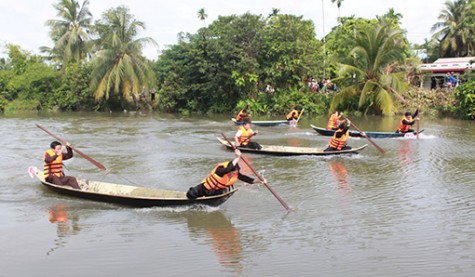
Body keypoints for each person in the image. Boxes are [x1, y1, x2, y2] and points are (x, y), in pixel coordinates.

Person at [186, 149, 263, 199]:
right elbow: (229, 168)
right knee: (190, 194)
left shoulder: (236, 173)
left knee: (221, 192)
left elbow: (248, 179)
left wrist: (259, 181)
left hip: (216, 192)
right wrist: (237, 157)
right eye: (232, 172)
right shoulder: (221, 171)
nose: (233, 174)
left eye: (235, 172)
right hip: (204, 188)